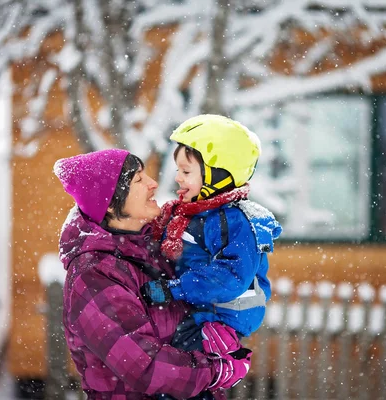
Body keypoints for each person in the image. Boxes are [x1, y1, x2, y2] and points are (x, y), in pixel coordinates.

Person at [54, 148, 252, 400]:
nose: (153, 183)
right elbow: (144, 365)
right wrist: (215, 369)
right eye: (138, 179)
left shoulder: (151, 245)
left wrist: (220, 327)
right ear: (110, 205)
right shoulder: (94, 274)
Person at [140, 114, 282, 353]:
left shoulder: (234, 221)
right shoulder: (193, 214)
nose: (177, 177)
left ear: (218, 175)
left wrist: (173, 289)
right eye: (178, 170)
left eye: (186, 171)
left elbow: (230, 276)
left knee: (175, 369)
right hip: (198, 308)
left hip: (220, 318)